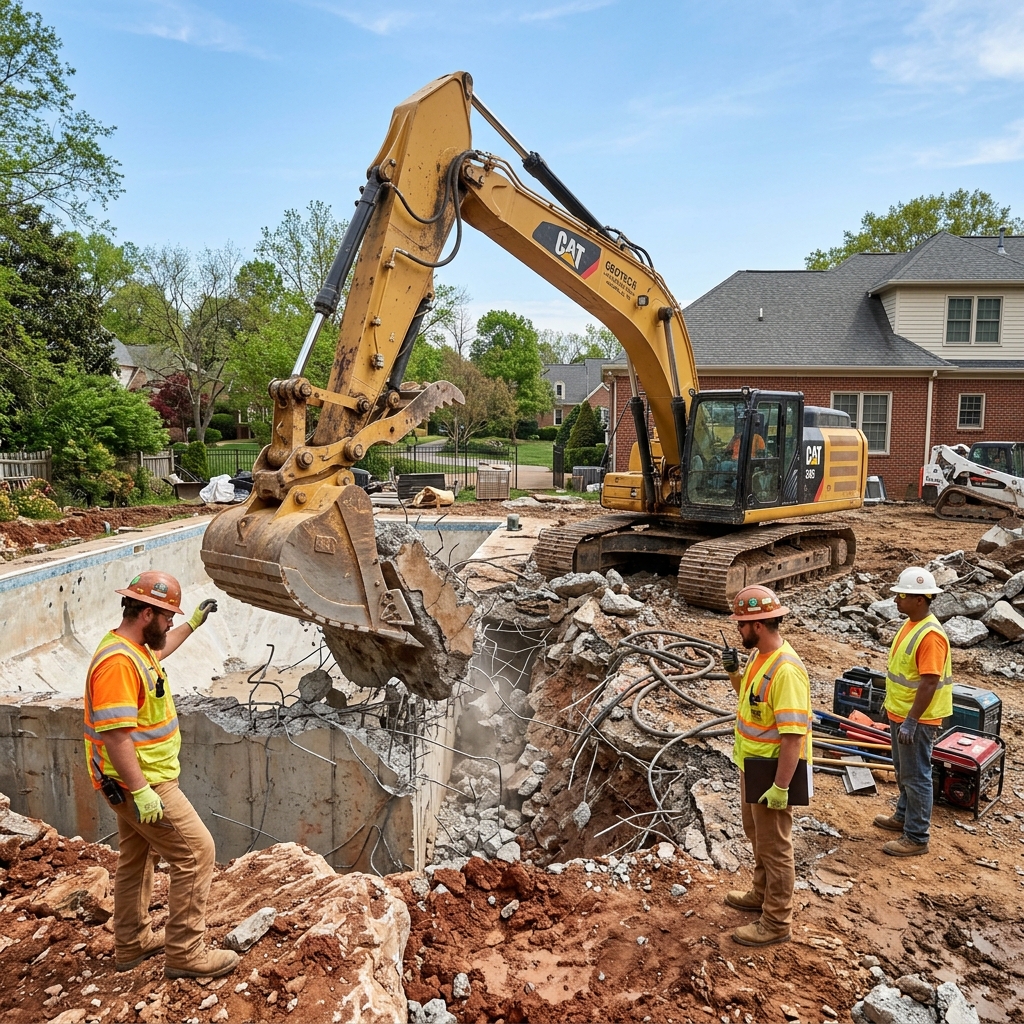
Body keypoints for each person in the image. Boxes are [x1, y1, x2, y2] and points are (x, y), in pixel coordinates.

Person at [83, 571, 238, 979]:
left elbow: (162, 648)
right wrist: (143, 791)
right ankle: (186, 953)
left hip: (134, 781)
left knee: (137, 857)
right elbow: (116, 737)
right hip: (142, 783)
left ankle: (131, 944)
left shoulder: (136, 648)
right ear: (146, 613)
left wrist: (193, 625)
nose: (170, 622)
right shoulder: (118, 663)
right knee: (197, 853)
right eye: (168, 615)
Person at [721, 584, 811, 947]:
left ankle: (776, 921)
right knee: (757, 835)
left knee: (775, 846)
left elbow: (793, 736)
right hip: (753, 764)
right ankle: (760, 893)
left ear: (758, 626)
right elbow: (753, 701)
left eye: (741, 624)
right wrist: (734, 675)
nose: (737, 630)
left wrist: (782, 786)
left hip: (774, 771)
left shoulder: (786, 671)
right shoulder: (759, 657)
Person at [874, 566, 952, 857]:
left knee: (916, 775)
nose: (896, 600)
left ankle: (917, 836)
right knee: (903, 770)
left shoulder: (930, 635)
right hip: (901, 714)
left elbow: (930, 681)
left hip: (917, 719)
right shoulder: (912, 624)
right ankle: (903, 816)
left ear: (920, 599)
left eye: (902, 595)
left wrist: (911, 720)